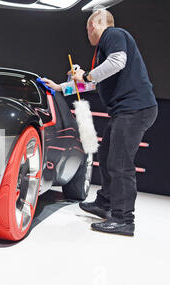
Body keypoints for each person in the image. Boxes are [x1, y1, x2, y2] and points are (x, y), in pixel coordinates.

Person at [41, 9, 158, 236]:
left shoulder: (113, 35)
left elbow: (117, 62)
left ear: (93, 26)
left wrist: (85, 75)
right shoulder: (104, 48)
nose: (87, 35)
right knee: (106, 156)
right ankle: (106, 203)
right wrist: (60, 87)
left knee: (120, 163)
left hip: (134, 109)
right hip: (127, 111)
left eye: (87, 30)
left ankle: (124, 219)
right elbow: (95, 83)